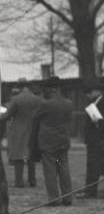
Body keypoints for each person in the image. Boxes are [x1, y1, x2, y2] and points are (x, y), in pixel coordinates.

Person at [29, 76, 73, 206]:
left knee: (50, 170)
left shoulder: (45, 104)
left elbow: (34, 118)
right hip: (63, 140)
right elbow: (69, 120)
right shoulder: (69, 103)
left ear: (51, 89)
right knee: (64, 168)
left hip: (48, 142)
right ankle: (68, 198)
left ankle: (54, 199)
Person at [1, 79, 42, 187]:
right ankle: (32, 180)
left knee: (18, 157)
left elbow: (7, 115)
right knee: (31, 156)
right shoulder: (37, 99)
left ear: (18, 87)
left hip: (19, 131)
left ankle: (19, 182)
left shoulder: (16, 99)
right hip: (33, 129)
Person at [77, 81, 104, 199]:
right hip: (95, 140)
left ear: (98, 91)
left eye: (90, 92)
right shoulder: (95, 103)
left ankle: (90, 191)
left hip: (98, 140)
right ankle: (90, 189)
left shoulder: (101, 103)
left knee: (94, 165)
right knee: (94, 165)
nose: (88, 95)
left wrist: (98, 122)